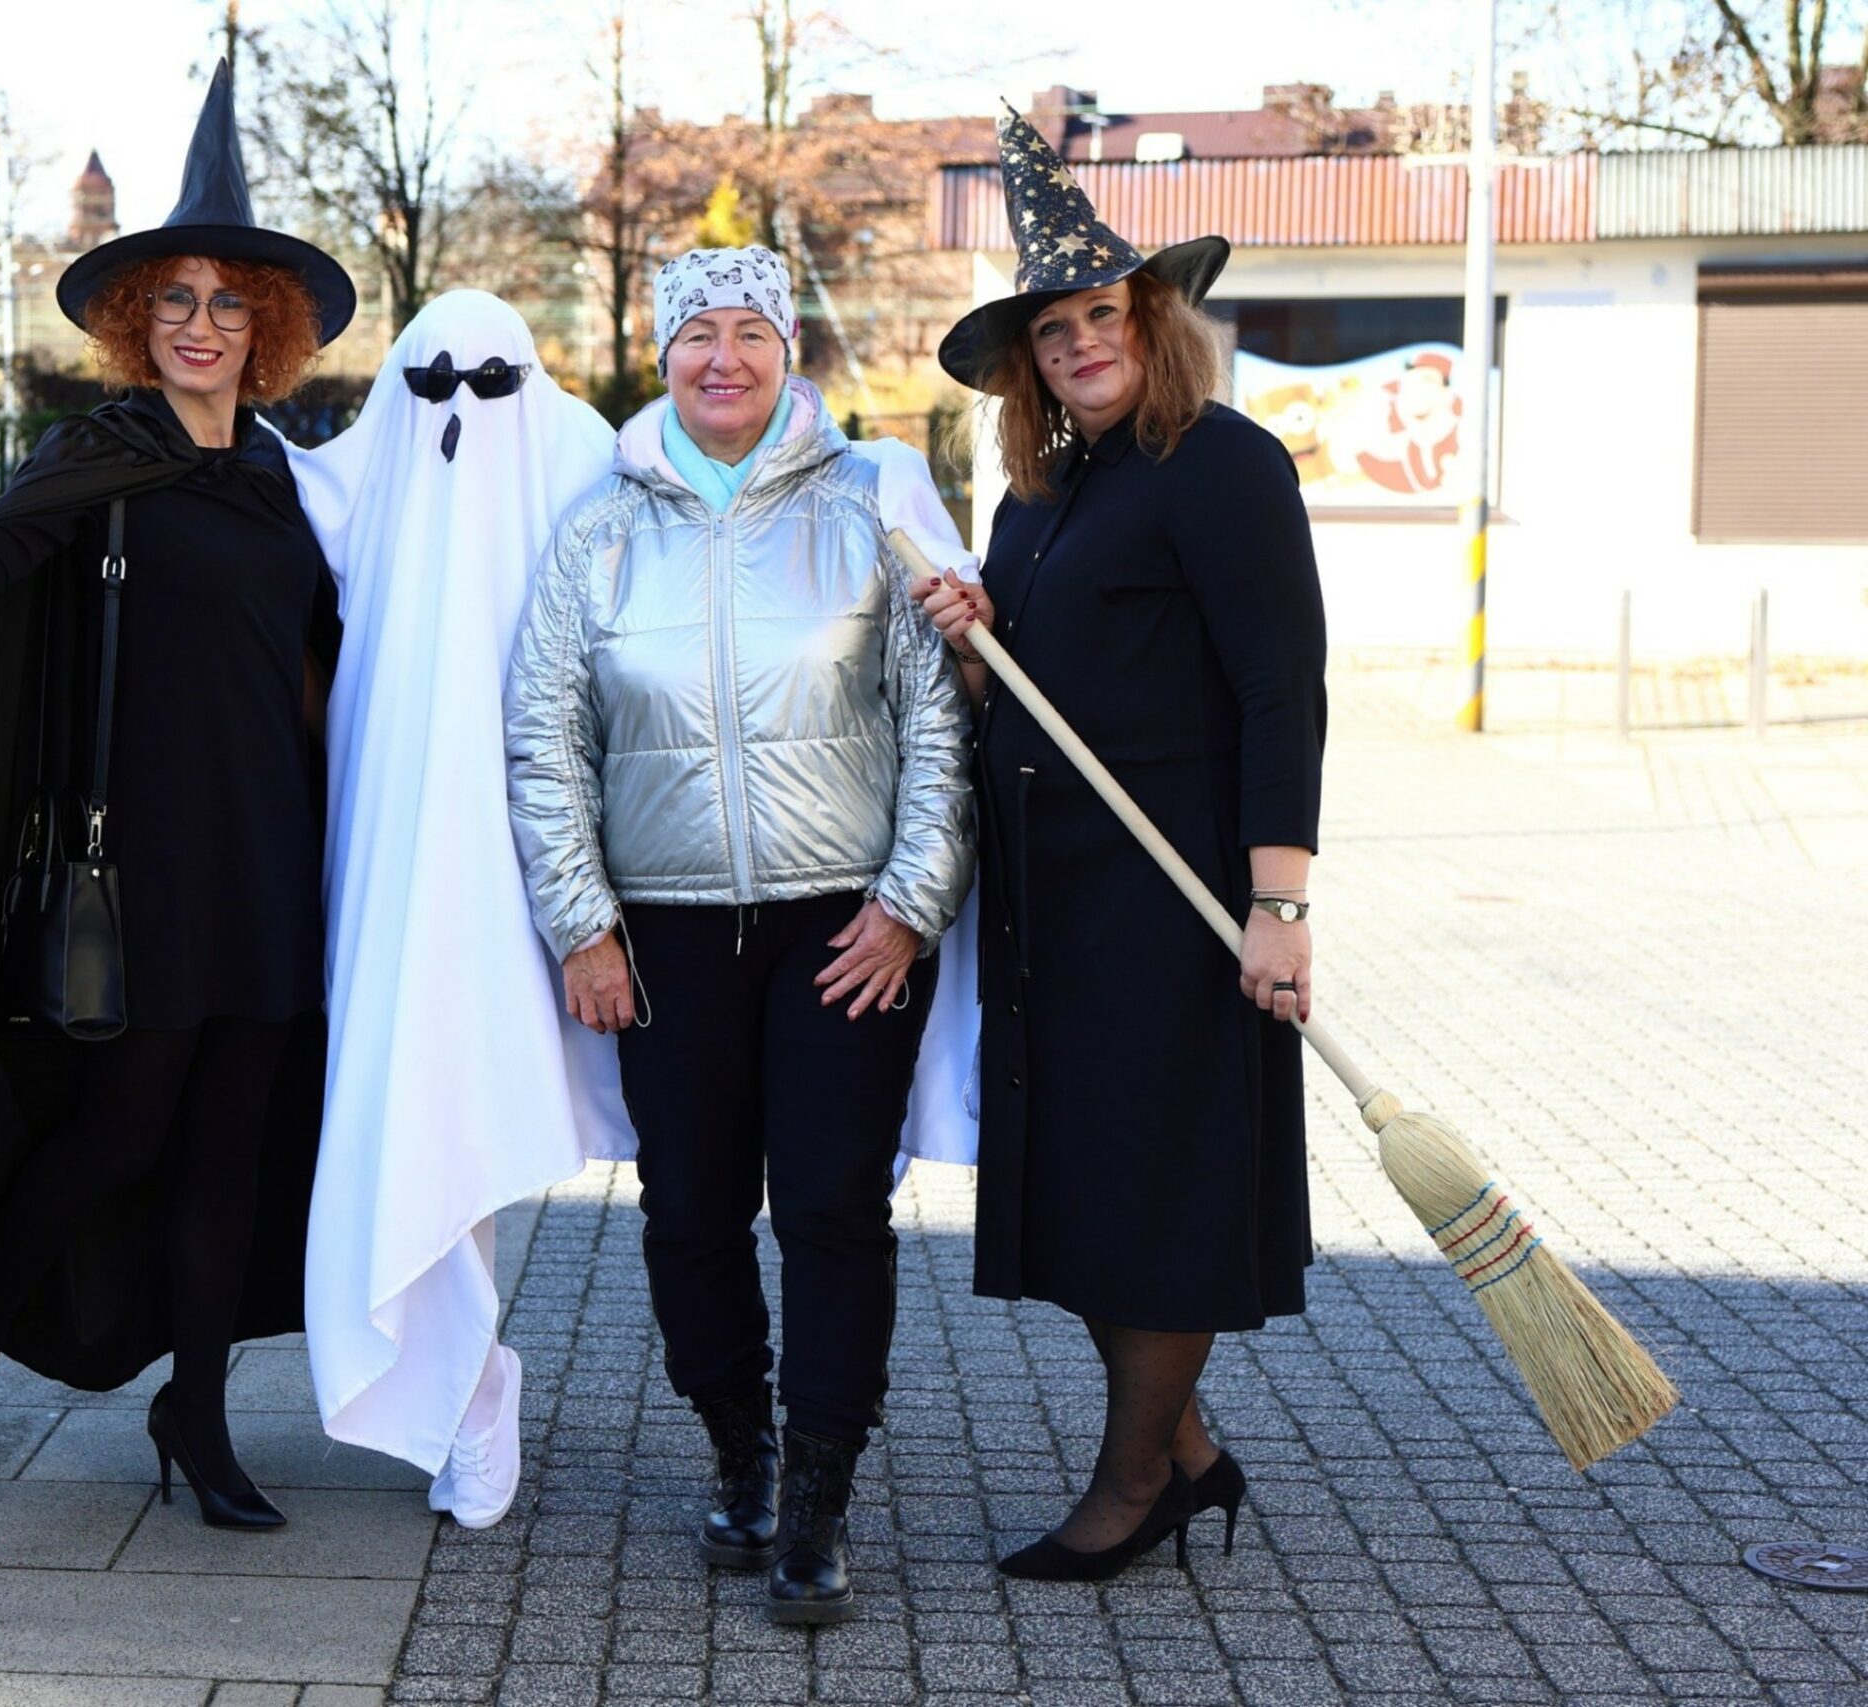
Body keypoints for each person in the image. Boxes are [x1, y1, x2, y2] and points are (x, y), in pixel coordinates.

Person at [0, 61, 357, 1529]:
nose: (199, 324)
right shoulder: (99, 456)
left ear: (270, 326)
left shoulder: (301, 484)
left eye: (228, 302)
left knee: (233, 1144)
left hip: (271, 856)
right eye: (172, 299)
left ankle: (200, 1414)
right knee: (117, 1129)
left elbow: (336, 664)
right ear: (133, 322)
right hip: (147, 860)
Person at [506, 245, 976, 1625]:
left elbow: (937, 722)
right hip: (663, 932)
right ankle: (741, 1447)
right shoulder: (595, 533)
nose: (725, 357)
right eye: (697, 334)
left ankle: (821, 1495)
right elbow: (544, 738)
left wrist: (908, 902)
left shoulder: (871, 508)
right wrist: (582, 924)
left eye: (750, 333)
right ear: (662, 359)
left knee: (832, 1205)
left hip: (846, 927)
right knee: (692, 1212)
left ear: (789, 353)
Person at [918, 104, 1327, 1582]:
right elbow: (1027, 688)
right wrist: (975, 642)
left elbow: (1285, 687)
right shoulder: (1044, 491)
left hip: (1176, 890)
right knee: (1091, 1182)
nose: (1082, 338)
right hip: (1056, 893)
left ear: (1153, 321)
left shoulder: (1222, 464)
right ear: (1026, 357)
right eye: (1055, 324)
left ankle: (1136, 1476)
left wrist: (1277, 901)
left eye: (1106, 310)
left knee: (1155, 1187)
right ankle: (1193, 1451)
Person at [284, 290, 630, 1529]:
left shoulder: (591, 462)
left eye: (491, 387)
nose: (457, 416)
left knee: (474, 1096)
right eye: (431, 384)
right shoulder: (348, 472)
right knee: (403, 1100)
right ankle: (465, 1388)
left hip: (531, 852)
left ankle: (471, 1383)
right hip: (383, 845)